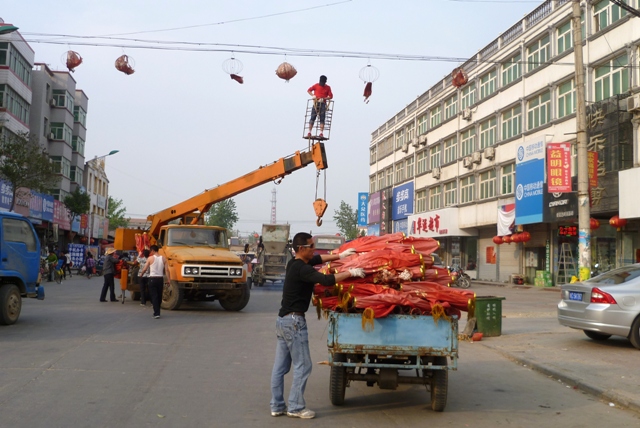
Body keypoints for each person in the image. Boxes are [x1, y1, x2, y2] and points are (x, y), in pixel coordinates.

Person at [270, 232, 364, 419]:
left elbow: (318, 259)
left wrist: (340, 255)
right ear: (301, 249)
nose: (314, 249)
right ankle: (295, 407)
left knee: (280, 368)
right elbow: (327, 280)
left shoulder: (294, 264)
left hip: (282, 321)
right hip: (294, 323)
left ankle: (277, 405)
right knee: (303, 366)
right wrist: (351, 272)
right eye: (311, 246)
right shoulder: (303, 270)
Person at [140, 245, 170, 319]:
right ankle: (157, 311)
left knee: (154, 296)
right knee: (159, 296)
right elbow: (167, 270)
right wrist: (168, 280)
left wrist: (141, 274)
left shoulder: (150, 258)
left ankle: (156, 313)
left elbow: (145, 268)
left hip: (152, 279)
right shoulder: (163, 258)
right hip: (160, 279)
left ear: (153, 250)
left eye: (151, 251)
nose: (150, 252)